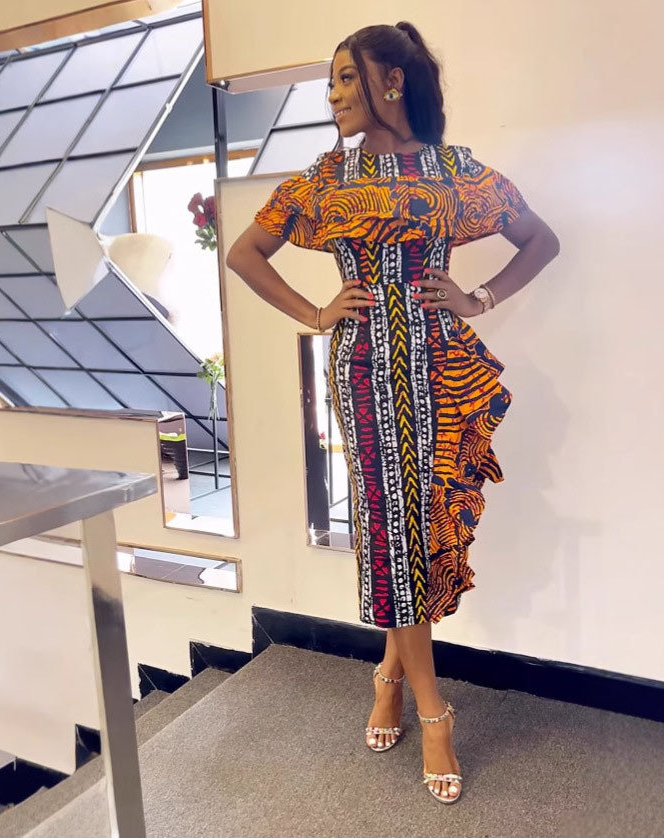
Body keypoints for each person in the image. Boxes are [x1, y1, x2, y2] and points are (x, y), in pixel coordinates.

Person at [226, 21, 560, 805]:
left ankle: (388, 672)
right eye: (331, 82)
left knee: (418, 529)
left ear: (393, 80)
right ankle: (434, 713)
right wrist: (316, 313)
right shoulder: (327, 179)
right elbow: (244, 253)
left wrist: (478, 298)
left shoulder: (454, 171)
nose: (333, 95)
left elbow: (540, 240)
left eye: (346, 78)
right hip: (364, 373)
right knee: (388, 530)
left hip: (442, 369)